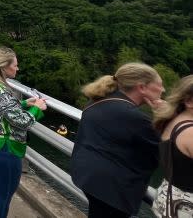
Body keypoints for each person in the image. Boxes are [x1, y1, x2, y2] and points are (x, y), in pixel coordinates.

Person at [70, 62, 164, 217]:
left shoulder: (97, 101)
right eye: (159, 85)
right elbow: (167, 153)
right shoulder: (135, 118)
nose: (163, 90)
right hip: (114, 192)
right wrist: (165, 116)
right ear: (142, 87)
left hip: (88, 178)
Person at [0, 47, 45, 218]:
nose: (17, 68)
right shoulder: (1, 90)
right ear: (3, 66)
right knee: (4, 193)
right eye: (15, 65)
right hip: (4, 146)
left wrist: (22, 104)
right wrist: (37, 109)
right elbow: (21, 122)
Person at [152, 75, 193, 217]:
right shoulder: (190, 132)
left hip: (168, 199)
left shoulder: (173, 120)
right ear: (189, 101)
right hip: (184, 208)